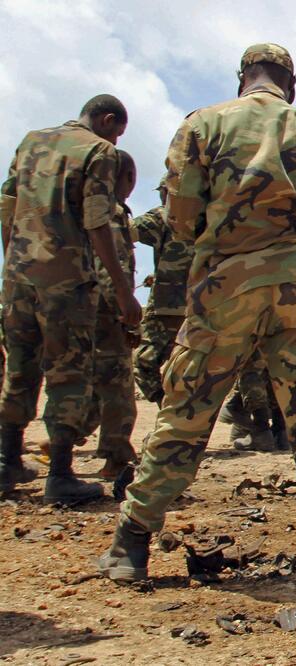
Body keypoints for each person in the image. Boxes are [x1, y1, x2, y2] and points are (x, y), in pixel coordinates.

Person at [97, 44, 296, 585]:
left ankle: (132, 544)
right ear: (292, 81)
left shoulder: (202, 126)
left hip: (224, 290)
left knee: (188, 413)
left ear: (244, 77)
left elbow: (181, 219)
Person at [0, 95, 141, 502]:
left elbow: (7, 208)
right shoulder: (98, 151)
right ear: (107, 121)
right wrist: (121, 288)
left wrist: (13, 264)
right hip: (66, 282)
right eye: (116, 133)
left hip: (19, 277)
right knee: (69, 373)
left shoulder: (31, 141)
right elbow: (97, 221)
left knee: (20, 369)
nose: (115, 142)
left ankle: (8, 460)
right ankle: (60, 474)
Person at [82, 149, 139, 480]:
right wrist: (122, 308)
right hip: (107, 310)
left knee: (95, 378)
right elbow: (110, 266)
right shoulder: (113, 214)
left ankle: (73, 434)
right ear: (128, 179)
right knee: (118, 382)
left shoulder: (95, 212)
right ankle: (117, 455)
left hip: (88, 308)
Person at [131, 176, 193, 406]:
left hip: (167, 307)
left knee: (145, 363)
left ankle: (167, 410)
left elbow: (122, 231)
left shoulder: (163, 216)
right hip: (206, 304)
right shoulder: (210, 216)